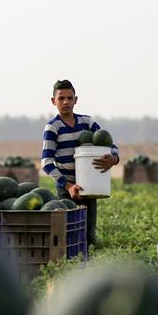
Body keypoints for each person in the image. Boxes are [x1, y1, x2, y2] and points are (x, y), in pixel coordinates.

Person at [40, 79, 119, 247]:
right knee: (68, 234)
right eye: (61, 98)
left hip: (89, 186)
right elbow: (46, 163)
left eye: (70, 98)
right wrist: (68, 186)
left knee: (89, 235)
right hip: (66, 189)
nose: (66, 102)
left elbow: (109, 143)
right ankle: (69, 268)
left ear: (76, 100)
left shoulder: (87, 122)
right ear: (53, 101)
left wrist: (114, 158)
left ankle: (86, 265)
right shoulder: (53, 127)